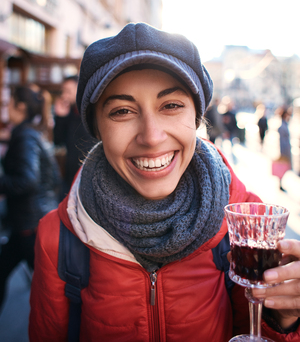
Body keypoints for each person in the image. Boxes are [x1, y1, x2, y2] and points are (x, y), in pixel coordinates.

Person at [29, 23, 300, 341]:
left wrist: (283, 318)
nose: (152, 137)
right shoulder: (57, 238)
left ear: (197, 118)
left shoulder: (247, 225)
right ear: (97, 129)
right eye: (122, 111)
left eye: (171, 106)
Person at [0, 86, 59, 311]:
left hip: (30, 224)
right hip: (31, 221)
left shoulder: (25, 135)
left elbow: (27, 180)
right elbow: (52, 177)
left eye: (8, 104)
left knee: (51, 289)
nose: (6, 109)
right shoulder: (33, 133)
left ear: (20, 107)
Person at [53, 75, 94, 200]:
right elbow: (58, 141)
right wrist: (60, 117)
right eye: (63, 91)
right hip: (70, 176)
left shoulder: (90, 113)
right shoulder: (70, 113)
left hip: (87, 176)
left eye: (68, 91)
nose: (64, 95)